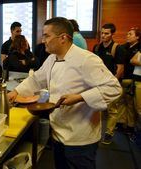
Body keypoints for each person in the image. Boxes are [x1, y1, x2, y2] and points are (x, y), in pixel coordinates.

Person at [8, 17, 121, 169]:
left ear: (63, 38)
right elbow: (36, 79)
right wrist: (15, 92)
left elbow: (113, 88)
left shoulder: (86, 59)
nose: (43, 41)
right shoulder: (52, 58)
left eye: (46, 36)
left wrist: (79, 97)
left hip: (80, 138)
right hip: (58, 133)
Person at [93, 23, 126, 144]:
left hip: (111, 84)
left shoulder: (118, 49)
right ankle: (97, 132)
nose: (103, 35)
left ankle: (109, 133)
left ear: (112, 34)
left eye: (106, 33)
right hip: (98, 83)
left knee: (112, 110)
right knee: (98, 108)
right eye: (102, 33)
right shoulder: (97, 48)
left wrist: (112, 84)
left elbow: (120, 69)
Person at [117, 27, 141, 135]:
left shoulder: (139, 48)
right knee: (121, 101)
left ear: (137, 37)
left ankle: (130, 125)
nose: (127, 35)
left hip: (132, 78)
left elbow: (133, 61)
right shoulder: (124, 47)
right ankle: (121, 122)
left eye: (130, 34)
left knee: (130, 104)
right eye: (127, 33)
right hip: (123, 76)